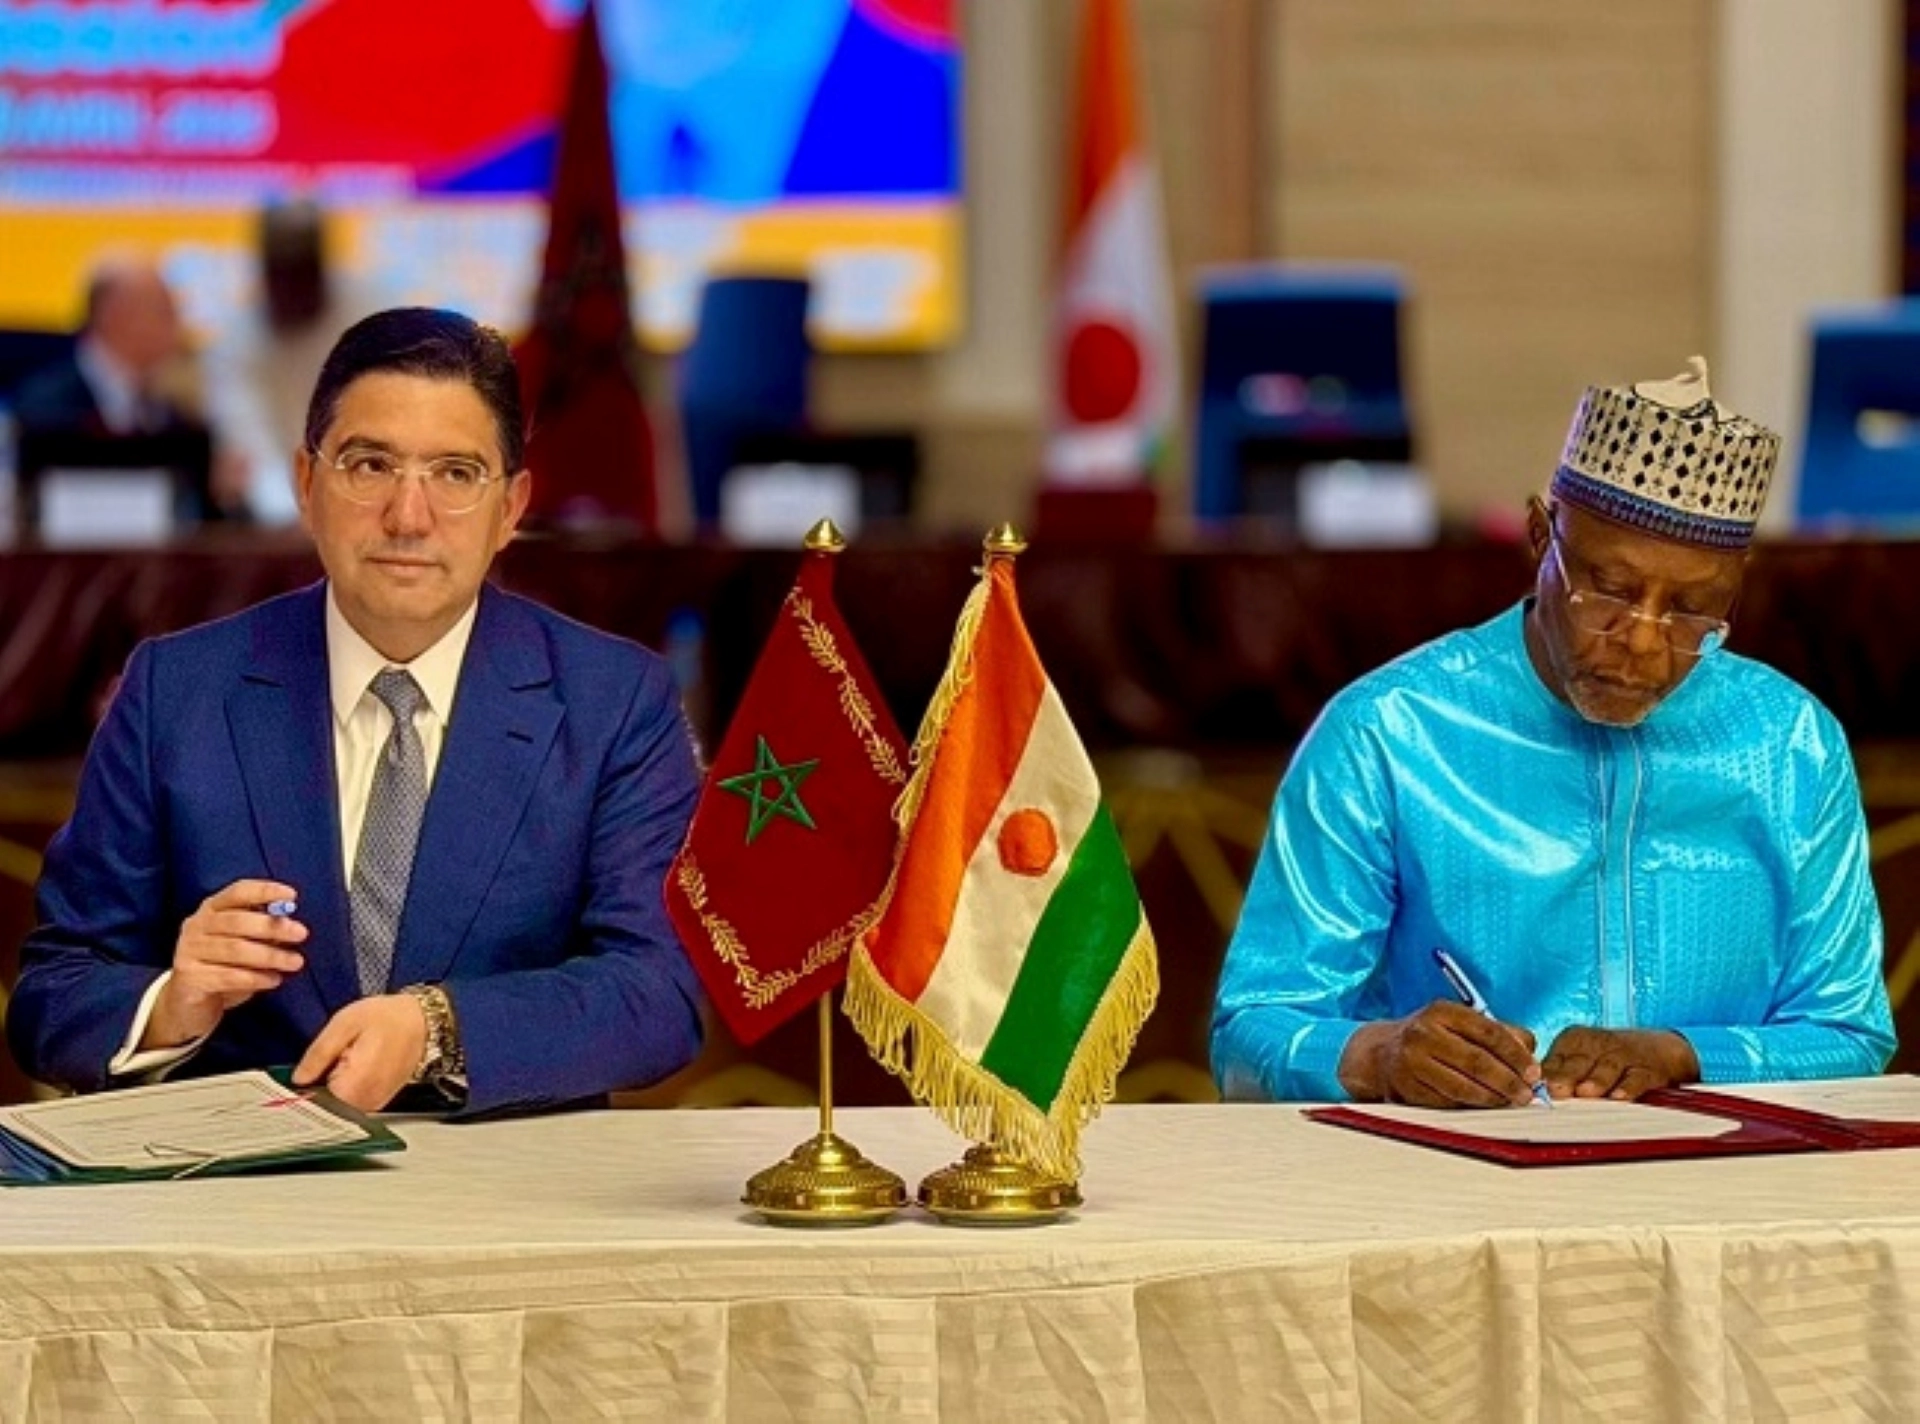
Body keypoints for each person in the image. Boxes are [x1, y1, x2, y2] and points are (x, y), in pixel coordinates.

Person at [8, 307, 706, 1114]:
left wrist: (437, 1028)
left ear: (512, 509)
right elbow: (54, 995)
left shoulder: (614, 700)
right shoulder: (177, 689)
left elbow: (659, 992)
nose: (408, 517)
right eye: (370, 465)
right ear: (307, 485)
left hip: (510, 1174)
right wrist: (171, 1003)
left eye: (455, 474)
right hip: (240, 1176)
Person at [1212, 358, 1895, 1108]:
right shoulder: (1388, 733)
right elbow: (1250, 1033)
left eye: (1691, 609)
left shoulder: (1790, 743)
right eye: (1609, 591)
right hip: (1454, 1169)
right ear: (1541, 537)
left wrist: (1683, 1054)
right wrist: (1380, 1055)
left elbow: (1849, 1031)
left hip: (1724, 1173)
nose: (1643, 642)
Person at [10, 254, 248, 523]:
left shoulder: (176, 418)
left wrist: (223, 494)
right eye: (165, 312)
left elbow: (198, 520)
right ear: (115, 314)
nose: (178, 328)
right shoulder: (43, 409)